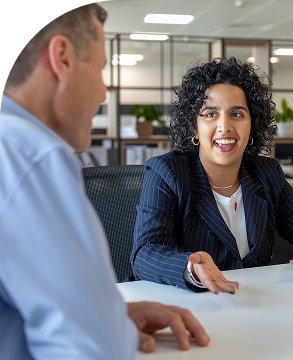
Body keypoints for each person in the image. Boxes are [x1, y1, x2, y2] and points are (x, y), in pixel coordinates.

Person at [0, 4, 209, 358]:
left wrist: (112, 315)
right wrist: (102, 327)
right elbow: (90, 348)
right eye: (99, 68)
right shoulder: (32, 154)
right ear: (62, 58)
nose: (103, 92)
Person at [131, 57, 293, 293]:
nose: (224, 126)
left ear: (253, 125)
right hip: (193, 305)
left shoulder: (266, 173)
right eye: (211, 114)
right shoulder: (167, 172)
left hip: (257, 303)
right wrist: (190, 269)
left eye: (237, 114)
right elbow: (145, 253)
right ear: (194, 127)